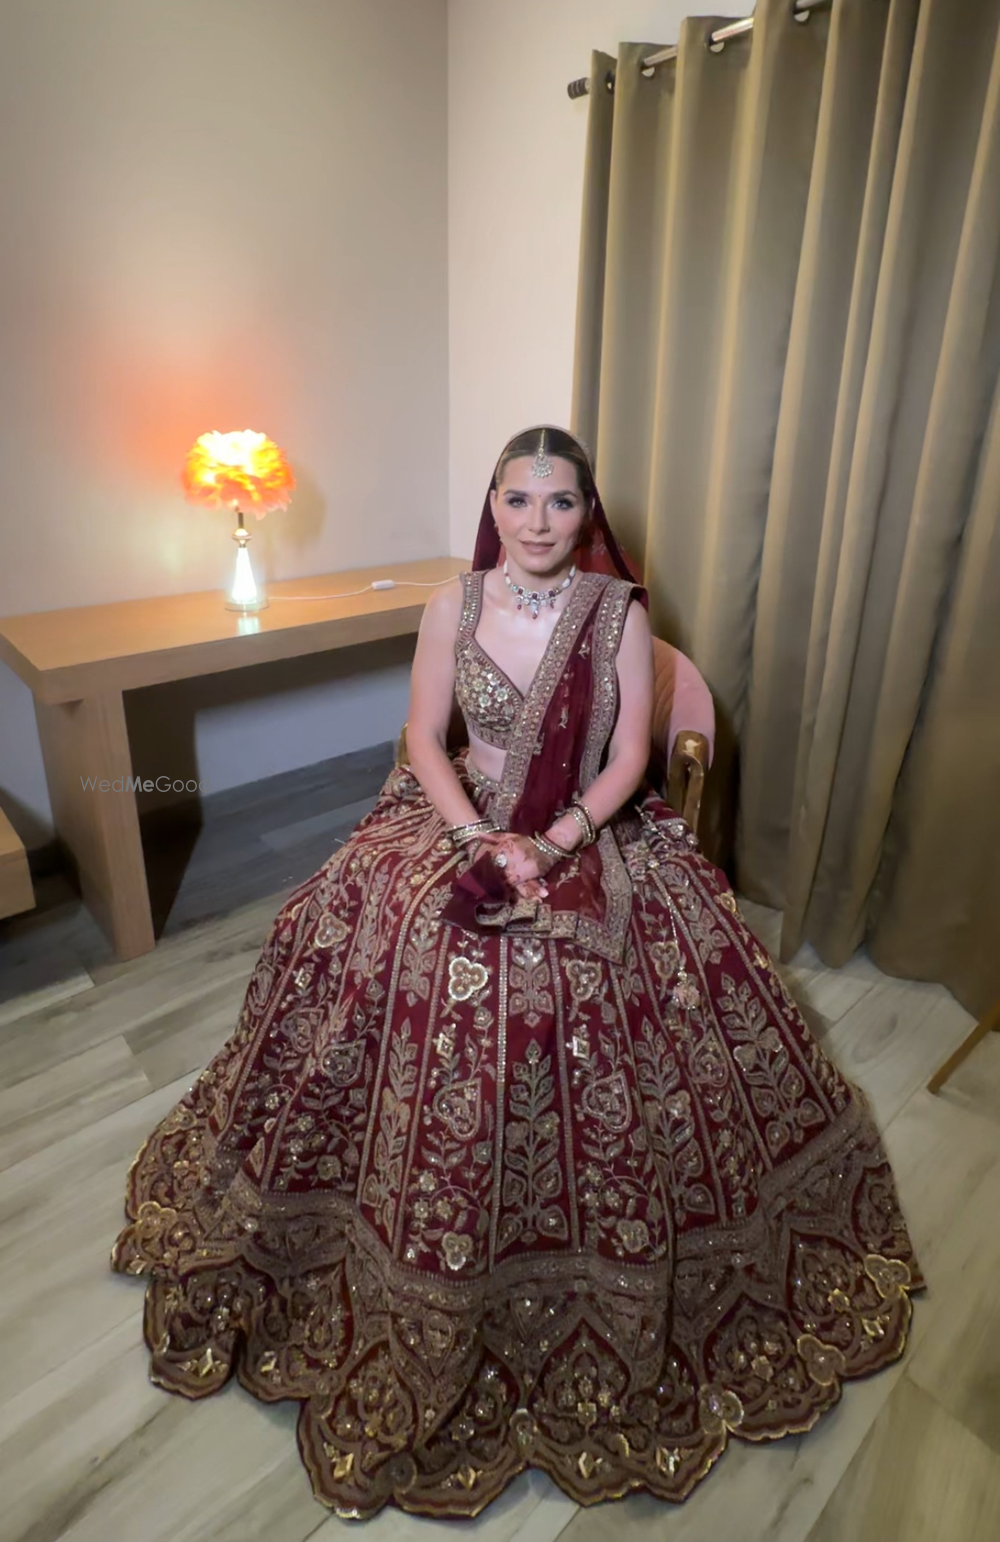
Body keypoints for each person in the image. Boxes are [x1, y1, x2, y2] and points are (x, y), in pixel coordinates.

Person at [111, 425, 921, 1520]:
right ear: (492, 505)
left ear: (587, 513)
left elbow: (629, 756)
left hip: (584, 829)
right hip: (459, 820)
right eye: (519, 499)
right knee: (391, 935)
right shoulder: (452, 603)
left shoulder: (616, 613)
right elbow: (422, 736)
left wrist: (554, 841)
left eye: (561, 501)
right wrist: (474, 840)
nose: (538, 521)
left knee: (583, 978)